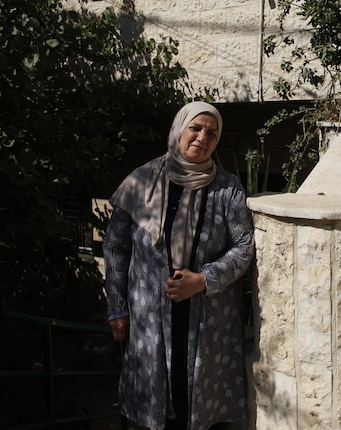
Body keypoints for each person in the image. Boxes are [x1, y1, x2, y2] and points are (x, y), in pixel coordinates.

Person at [103, 101, 255, 430]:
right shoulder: (142, 181)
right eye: (196, 128)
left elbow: (244, 247)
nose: (203, 137)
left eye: (211, 133)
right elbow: (116, 245)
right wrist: (117, 308)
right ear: (179, 130)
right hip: (150, 318)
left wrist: (203, 279)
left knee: (198, 410)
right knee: (153, 410)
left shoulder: (226, 189)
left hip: (206, 321)